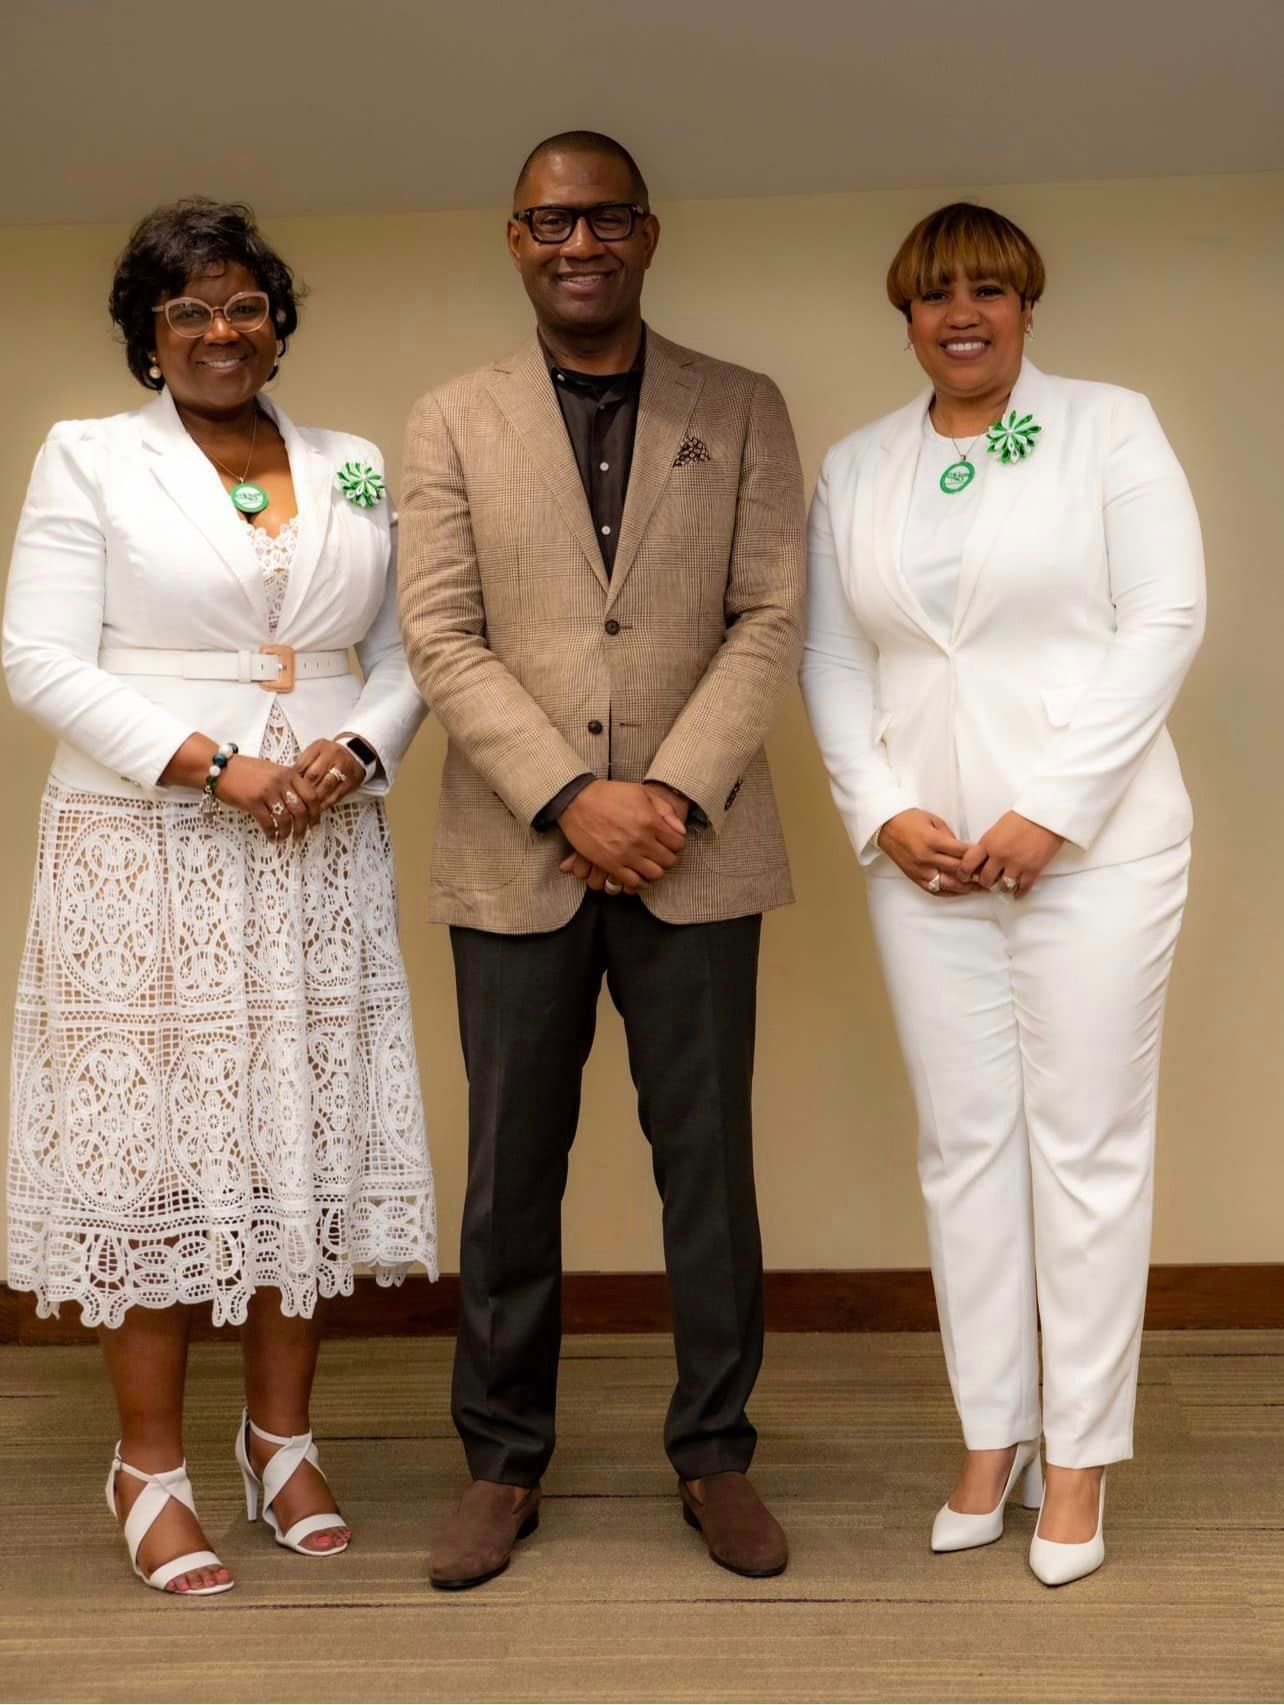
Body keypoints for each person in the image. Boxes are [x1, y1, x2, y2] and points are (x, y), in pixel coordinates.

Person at [3, 198, 436, 1596]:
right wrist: (214, 766)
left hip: (320, 835)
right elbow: (37, 658)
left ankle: (280, 1439)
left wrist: (361, 746)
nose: (219, 331)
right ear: (146, 334)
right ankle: (150, 1464)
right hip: (151, 844)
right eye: (186, 311)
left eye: (243, 305)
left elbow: (410, 639)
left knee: (289, 1139)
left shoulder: (355, 466)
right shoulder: (89, 459)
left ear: (278, 321)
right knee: (159, 1160)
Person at [398, 131, 804, 1589]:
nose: (581, 243)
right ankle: (501, 1461)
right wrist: (572, 792)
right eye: (551, 221)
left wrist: (668, 795)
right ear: (514, 237)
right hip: (516, 852)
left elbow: (769, 618)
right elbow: (441, 633)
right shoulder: (451, 419)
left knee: (709, 1165)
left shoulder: (743, 407)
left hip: (698, 852)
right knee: (512, 1172)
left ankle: (717, 1453)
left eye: (606, 217)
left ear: (645, 232)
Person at [801, 202, 1204, 1586]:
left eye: (986, 290)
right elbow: (837, 663)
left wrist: (1053, 812)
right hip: (925, 861)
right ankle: (996, 1428)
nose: (959, 313)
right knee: (965, 1143)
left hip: (1095, 850)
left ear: (1028, 305)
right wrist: (883, 810)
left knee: (1084, 1147)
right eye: (933, 295)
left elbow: (1165, 618)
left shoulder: (1111, 427)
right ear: (904, 315)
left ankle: (1082, 1449)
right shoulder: (856, 468)